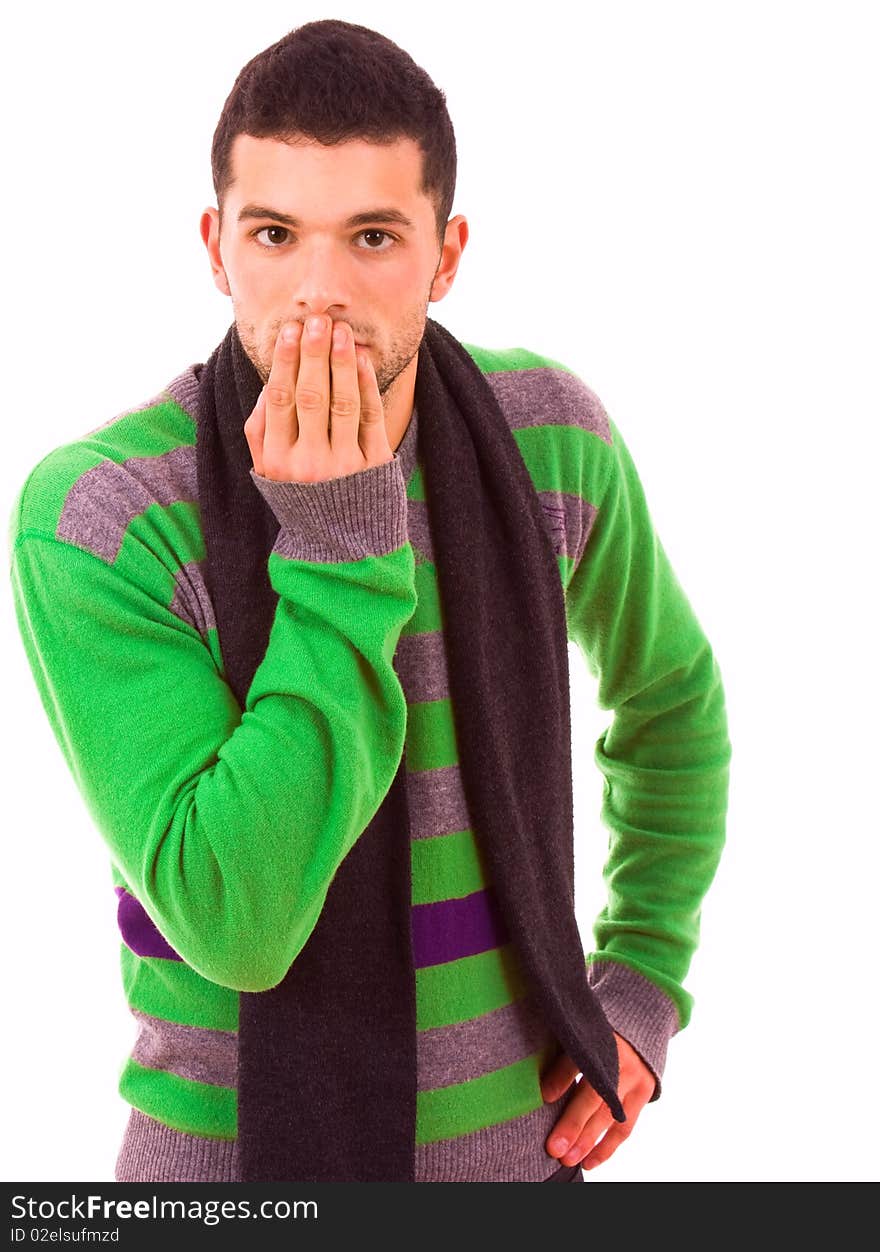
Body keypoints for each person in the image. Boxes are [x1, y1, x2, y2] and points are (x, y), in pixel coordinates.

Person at [7, 19, 731, 1184]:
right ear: (216, 244)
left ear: (445, 256)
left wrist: (644, 974)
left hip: (523, 1166)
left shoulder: (549, 437)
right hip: (223, 1179)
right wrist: (341, 540)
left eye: (374, 237)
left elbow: (671, 700)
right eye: (277, 234)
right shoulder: (101, 511)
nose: (319, 291)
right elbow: (236, 920)